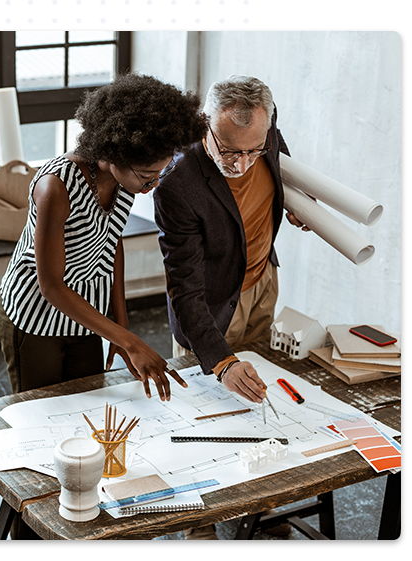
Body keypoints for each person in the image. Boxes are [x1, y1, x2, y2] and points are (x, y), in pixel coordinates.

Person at [154, 76, 308, 539]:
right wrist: (219, 360)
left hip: (262, 281)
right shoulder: (176, 183)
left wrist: (295, 200)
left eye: (252, 150)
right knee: (201, 427)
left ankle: (257, 514)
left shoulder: (265, 132)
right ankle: (198, 528)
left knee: (256, 409)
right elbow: (184, 288)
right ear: (206, 125)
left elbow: (278, 162)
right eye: (229, 151)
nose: (242, 163)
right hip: (209, 304)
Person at [0, 73, 207, 405]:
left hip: (87, 313)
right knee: (41, 412)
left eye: (160, 173)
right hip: (35, 314)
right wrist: (131, 341)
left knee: (88, 405)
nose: (152, 186)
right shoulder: (56, 186)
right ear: (113, 154)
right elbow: (51, 285)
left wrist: (120, 326)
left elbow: (112, 242)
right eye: (147, 176)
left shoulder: (126, 180)